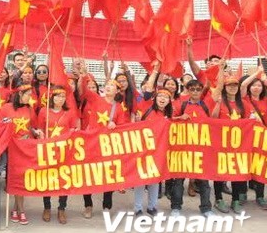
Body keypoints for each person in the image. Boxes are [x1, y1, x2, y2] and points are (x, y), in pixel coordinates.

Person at [78, 65, 129, 218]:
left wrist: (116, 126)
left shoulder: (119, 108)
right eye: (107, 85)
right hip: (91, 143)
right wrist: (85, 75)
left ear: (117, 91)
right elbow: (85, 90)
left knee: (108, 174)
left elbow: (122, 127)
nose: (108, 87)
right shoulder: (95, 99)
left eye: (112, 86)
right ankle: (88, 205)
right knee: (87, 174)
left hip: (107, 146)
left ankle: (107, 205)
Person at [0, 84, 42, 225]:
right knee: (14, 179)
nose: (30, 98)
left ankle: (17, 210)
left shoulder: (29, 109)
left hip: (25, 149)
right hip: (11, 149)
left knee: (22, 179)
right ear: (20, 94)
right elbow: (1, 128)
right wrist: (13, 139)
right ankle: (21, 211)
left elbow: (32, 127)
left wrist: (36, 132)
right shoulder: (6, 108)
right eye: (28, 95)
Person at [170, 79, 213, 217]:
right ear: (187, 90)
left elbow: (215, 123)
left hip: (201, 151)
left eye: (198, 89)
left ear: (202, 91)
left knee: (204, 181)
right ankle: (176, 207)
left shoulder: (207, 106)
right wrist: (179, 118)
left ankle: (206, 208)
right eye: (192, 89)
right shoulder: (180, 105)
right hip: (182, 150)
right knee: (178, 181)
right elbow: (169, 121)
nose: (195, 92)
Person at [37, 86, 79, 224]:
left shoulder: (70, 112)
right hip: (48, 150)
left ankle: (62, 208)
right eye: (57, 96)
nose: (60, 99)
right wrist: (40, 134)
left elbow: (74, 129)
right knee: (48, 179)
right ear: (52, 97)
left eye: (62, 96)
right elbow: (39, 128)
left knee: (64, 179)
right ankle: (47, 207)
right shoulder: (44, 111)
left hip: (64, 151)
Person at [210, 66, 249, 215]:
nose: (232, 88)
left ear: (238, 88)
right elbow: (213, 119)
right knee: (220, 172)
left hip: (239, 145)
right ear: (225, 88)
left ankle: (236, 200)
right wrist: (218, 103)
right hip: (221, 144)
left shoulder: (243, 103)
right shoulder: (220, 101)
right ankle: (219, 199)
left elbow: (249, 122)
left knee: (237, 172)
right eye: (229, 85)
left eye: (235, 85)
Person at [133, 88, 173, 216]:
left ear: (169, 101)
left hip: (159, 152)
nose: (162, 99)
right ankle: (138, 208)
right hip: (144, 150)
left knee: (155, 181)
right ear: (155, 98)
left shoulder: (170, 114)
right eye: (160, 96)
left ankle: (152, 206)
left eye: (165, 97)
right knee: (140, 180)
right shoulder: (147, 108)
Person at [240, 66, 267, 211]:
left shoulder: (266, 101)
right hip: (246, 138)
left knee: (260, 166)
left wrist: (266, 82)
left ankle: (259, 196)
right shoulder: (244, 99)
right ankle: (242, 193)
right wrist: (257, 72)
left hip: (262, 139)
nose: (256, 87)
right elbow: (242, 85)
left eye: (259, 85)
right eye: (254, 85)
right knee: (244, 165)